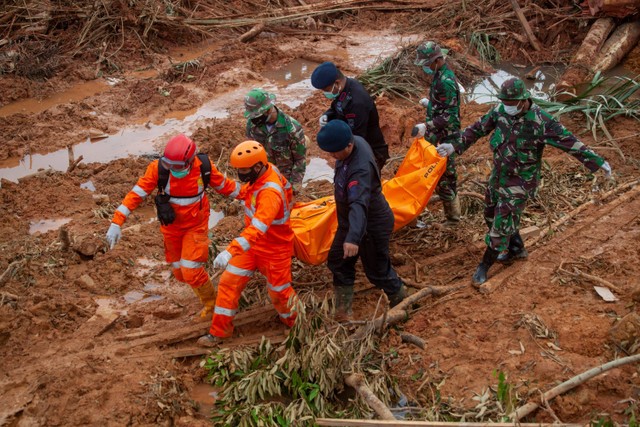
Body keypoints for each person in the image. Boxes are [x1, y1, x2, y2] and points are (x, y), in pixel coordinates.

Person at [436, 77, 612, 286]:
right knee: (490, 214)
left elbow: (570, 142)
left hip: (520, 182)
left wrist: (597, 161)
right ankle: (516, 248)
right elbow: (477, 128)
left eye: (511, 103)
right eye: (505, 102)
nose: (507, 107)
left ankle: (484, 265)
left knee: (500, 226)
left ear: (523, 100)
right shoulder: (500, 111)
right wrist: (454, 146)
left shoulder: (542, 121)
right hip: (499, 176)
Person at [105, 134, 241, 318]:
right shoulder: (158, 170)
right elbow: (136, 194)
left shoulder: (204, 168)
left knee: (191, 270)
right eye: (169, 166)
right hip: (171, 229)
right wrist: (117, 221)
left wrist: (253, 195)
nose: (173, 170)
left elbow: (227, 187)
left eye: (177, 167)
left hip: (196, 225)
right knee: (180, 273)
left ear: (190, 161)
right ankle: (203, 289)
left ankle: (212, 305)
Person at [197, 141, 298, 346]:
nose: (241, 174)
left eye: (243, 170)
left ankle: (294, 325)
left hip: (274, 249)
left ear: (258, 166)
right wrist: (214, 177)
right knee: (228, 282)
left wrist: (230, 251)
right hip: (252, 246)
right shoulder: (266, 173)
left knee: (280, 292)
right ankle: (219, 331)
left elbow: (258, 228)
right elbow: (246, 191)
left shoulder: (270, 193)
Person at [316, 120, 407, 321]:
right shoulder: (354, 140)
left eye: (334, 152)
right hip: (351, 222)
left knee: (377, 272)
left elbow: (359, 204)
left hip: (371, 224)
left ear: (348, 146)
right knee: (339, 260)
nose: (332, 157)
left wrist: (353, 238)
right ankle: (343, 309)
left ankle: (403, 303)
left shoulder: (359, 170)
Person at [412, 41, 462, 224]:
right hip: (438, 135)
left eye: (426, 64)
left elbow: (451, 117)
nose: (425, 67)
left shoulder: (446, 82)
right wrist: (430, 105)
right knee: (437, 174)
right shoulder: (439, 75)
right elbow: (443, 106)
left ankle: (453, 219)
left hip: (446, 137)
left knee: (446, 178)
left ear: (436, 60)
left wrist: (428, 125)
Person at [311, 61, 390, 171]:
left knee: (364, 184)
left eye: (326, 90)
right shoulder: (344, 88)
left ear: (337, 83)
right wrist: (327, 115)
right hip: (351, 145)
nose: (325, 93)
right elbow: (336, 107)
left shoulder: (357, 102)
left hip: (369, 152)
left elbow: (357, 136)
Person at [244, 88, 307, 193]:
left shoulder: (292, 128)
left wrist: (293, 190)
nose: (253, 119)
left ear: (268, 110)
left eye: (257, 116)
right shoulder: (252, 125)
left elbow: (300, 160)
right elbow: (250, 152)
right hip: (263, 178)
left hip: (284, 180)